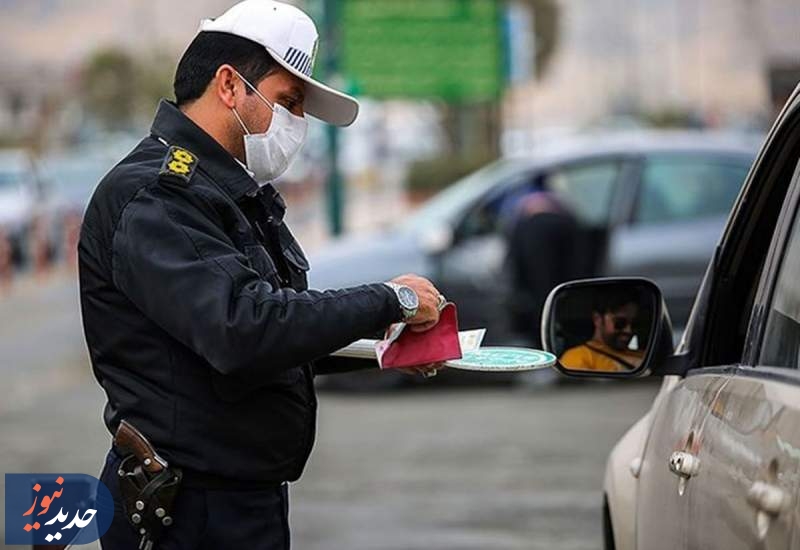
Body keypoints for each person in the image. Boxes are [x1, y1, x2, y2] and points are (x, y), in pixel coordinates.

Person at [78, 2, 444, 548]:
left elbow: (271, 336)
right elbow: (242, 329)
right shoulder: (158, 195)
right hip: (187, 510)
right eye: (287, 101)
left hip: (237, 500)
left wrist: (383, 349)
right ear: (230, 85)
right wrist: (393, 300)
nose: (296, 125)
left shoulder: (227, 193)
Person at [559, 291, 645, 372]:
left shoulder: (644, 356)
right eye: (620, 323)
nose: (628, 331)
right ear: (597, 319)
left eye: (635, 324)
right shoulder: (577, 357)